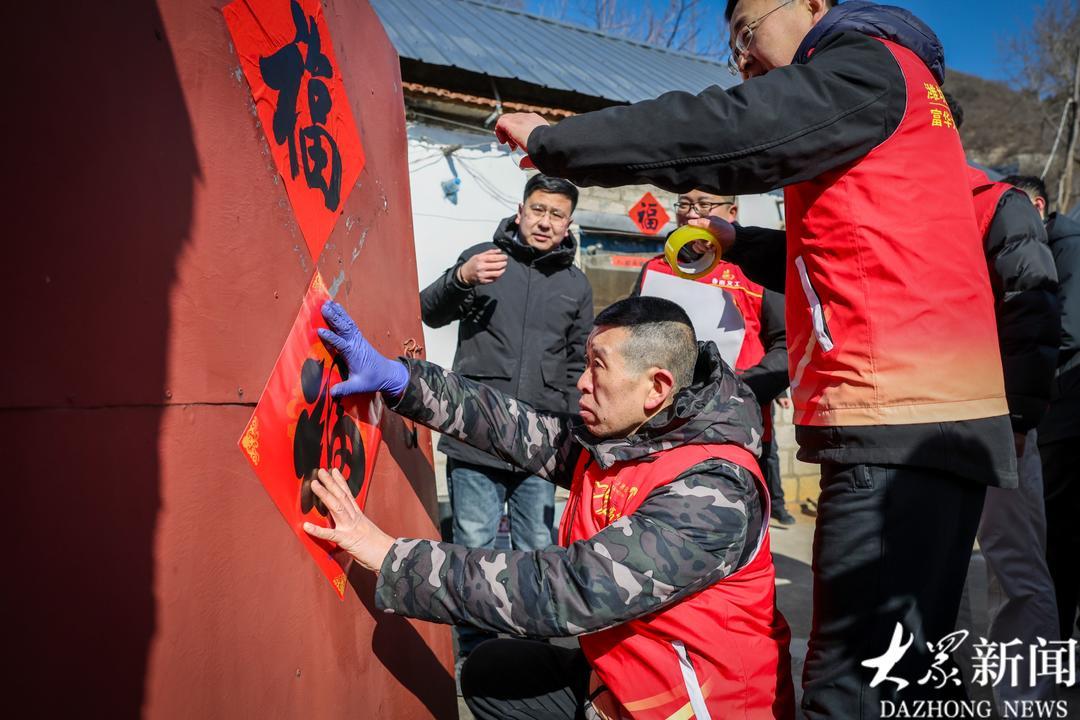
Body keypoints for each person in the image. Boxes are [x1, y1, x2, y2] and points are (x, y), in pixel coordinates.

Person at [493, 1, 1018, 717]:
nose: (743, 59)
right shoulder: (898, 95)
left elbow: (726, 127)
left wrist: (557, 141)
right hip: (929, 413)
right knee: (910, 671)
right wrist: (741, 243)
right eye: (733, 46)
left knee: (855, 684)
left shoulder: (863, 66)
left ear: (813, 6)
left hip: (898, 412)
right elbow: (844, 249)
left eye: (748, 31)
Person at [306, 296, 795, 719]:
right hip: (624, 681)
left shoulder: (713, 489)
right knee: (493, 671)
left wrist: (391, 557)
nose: (581, 382)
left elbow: (567, 590)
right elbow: (512, 427)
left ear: (657, 388)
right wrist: (400, 380)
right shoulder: (631, 437)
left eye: (597, 366)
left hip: (692, 706)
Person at [419, 174, 593, 660]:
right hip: (476, 434)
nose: (545, 222)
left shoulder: (575, 285)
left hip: (541, 443)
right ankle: (475, 654)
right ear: (520, 212)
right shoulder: (484, 260)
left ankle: (533, 652)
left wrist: (571, 433)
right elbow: (428, 312)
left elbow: (578, 364)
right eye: (538, 209)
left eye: (557, 214)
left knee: (536, 548)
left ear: (568, 224)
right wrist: (461, 277)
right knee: (474, 546)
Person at [630, 190, 794, 524]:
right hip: (661, 430)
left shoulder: (757, 271)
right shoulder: (655, 269)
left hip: (736, 431)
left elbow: (788, 345)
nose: (693, 214)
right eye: (685, 204)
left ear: (732, 211)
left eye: (704, 204)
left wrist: (741, 390)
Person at [966, 162, 1061, 709]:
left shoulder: (994, 204)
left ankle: (1027, 700)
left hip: (1000, 419)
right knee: (969, 567)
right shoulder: (937, 201)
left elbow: (1037, 318)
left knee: (1016, 568)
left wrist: (1020, 418)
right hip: (951, 412)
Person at [1004, 174, 1080, 642]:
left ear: (1035, 206)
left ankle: (1056, 645)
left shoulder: (1067, 246)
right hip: (1054, 410)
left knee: (1058, 539)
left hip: (1065, 415)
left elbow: (1066, 330)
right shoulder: (1047, 245)